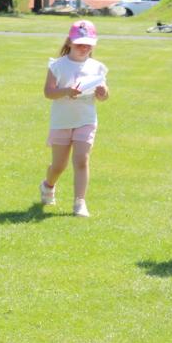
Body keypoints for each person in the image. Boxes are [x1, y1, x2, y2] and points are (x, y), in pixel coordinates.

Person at [38, 20, 110, 217]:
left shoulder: (97, 67)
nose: (84, 48)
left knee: (81, 160)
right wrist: (67, 91)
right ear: (69, 42)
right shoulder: (57, 66)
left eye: (88, 44)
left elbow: (103, 96)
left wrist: (103, 92)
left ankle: (80, 203)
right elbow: (48, 93)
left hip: (86, 120)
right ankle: (48, 185)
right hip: (61, 121)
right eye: (79, 44)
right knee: (59, 166)